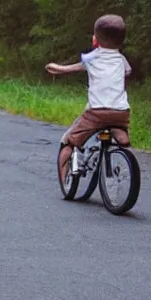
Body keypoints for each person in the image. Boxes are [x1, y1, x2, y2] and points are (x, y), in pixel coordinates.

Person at [45, 14, 132, 185]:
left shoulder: (91, 58)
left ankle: (65, 183)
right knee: (117, 129)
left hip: (96, 113)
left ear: (96, 40)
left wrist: (56, 68)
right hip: (121, 113)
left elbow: (69, 69)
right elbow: (127, 72)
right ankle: (118, 136)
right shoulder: (122, 60)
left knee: (68, 140)